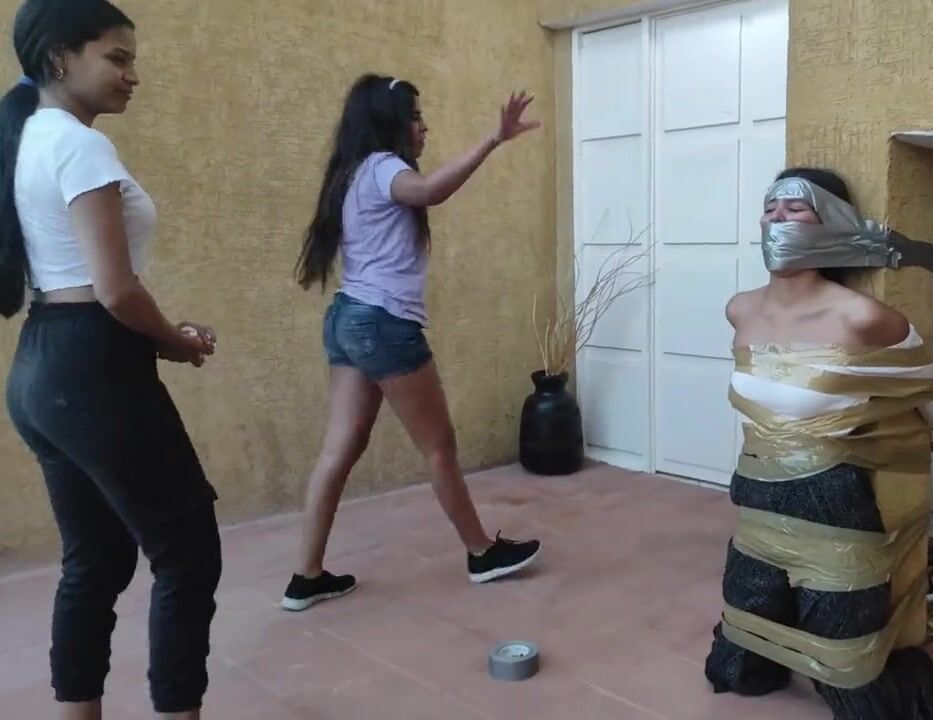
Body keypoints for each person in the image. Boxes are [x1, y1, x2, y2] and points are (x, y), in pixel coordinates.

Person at [1, 1, 222, 718]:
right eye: (117, 58)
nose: (133, 75)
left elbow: (91, 285)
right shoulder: (80, 145)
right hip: (92, 364)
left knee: (95, 559)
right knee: (187, 551)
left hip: (42, 363)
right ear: (61, 58)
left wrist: (158, 334)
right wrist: (175, 340)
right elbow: (116, 289)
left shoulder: (30, 134)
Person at [703, 167, 933, 719]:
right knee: (738, 669)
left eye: (795, 207)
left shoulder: (863, 318)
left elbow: (927, 396)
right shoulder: (739, 308)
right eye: (770, 207)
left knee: (857, 698)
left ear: (833, 224)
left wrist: (915, 459)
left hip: (834, 510)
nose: (777, 217)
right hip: (757, 503)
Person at [284, 74, 543, 611]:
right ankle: (481, 553)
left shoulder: (350, 172)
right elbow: (428, 191)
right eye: (416, 117)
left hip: (348, 318)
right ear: (391, 123)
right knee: (438, 447)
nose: (424, 127)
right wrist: (493, 139)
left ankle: (306, 576)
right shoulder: (384, 166)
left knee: (337, 451)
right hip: (382, 324)